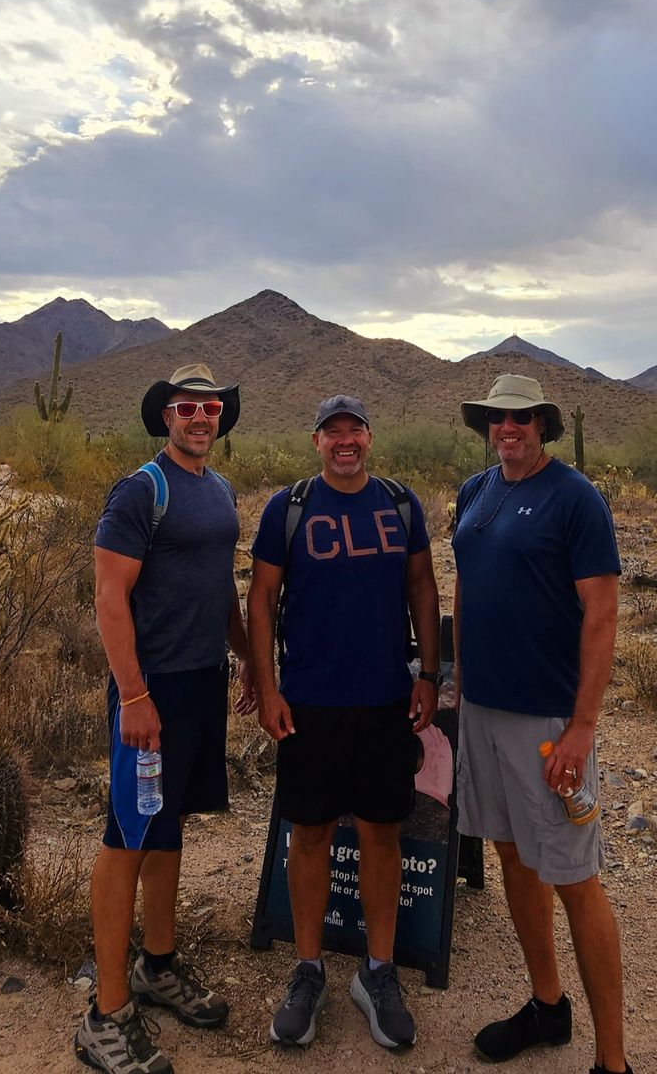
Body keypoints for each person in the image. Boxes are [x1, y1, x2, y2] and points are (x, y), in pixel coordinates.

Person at [75, 364, 258, 1074]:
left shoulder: (218, 491)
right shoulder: (139, 491)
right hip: (150, 691)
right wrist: (134, 696)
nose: (199, 417)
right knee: (126, 834)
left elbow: (220, 586)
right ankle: (105, 1014)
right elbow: (108, 597)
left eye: (209, 407)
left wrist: (242, 654)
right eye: (186, 408)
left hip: (200, 682)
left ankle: (157, 965)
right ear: (165, 418)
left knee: (168, 823)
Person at [450, 374, 632, 1074]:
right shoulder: (477, 493)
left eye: (522, 418)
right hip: (484, 709)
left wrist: (584, 726)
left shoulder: (576, 499)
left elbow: (602, 613)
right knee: (511, 855)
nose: (509, 429)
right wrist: (461, 683)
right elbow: (465, 585)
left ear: (544, 426)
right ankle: (547, 1005)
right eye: (499, 419)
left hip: (550, 720)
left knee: (572, 874)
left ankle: (612, 1061)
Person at [246, 395, 439, 1050]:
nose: (345, 440)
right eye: (333, 432)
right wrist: (266, 686)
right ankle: (307, 969)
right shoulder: (289, 508)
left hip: (385, 698)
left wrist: (430, 675)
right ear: (316, 442)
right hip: (309, 702)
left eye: (354, 429)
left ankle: (378, 972)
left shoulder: (400, 504)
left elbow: (423, 589)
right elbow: (263, 598)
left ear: (370, 439)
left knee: (384, 834)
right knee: (310, 833)